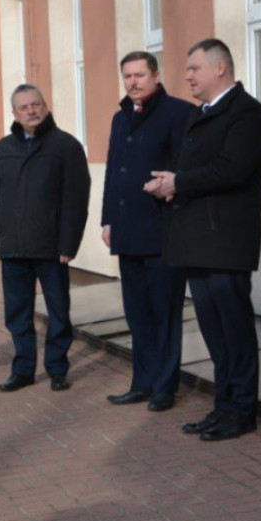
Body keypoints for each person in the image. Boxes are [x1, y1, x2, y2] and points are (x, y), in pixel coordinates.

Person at [145, 38, 261, 442]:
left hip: (226, 241)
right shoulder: (201, 114)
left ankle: (242, 411)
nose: (188, 76)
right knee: (215, 334)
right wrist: (169, 183)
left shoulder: (247, 113)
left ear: (220, 68)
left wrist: (179, 182)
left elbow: (231, 170)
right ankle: (224, 405)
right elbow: (192, 169)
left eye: (194, 68)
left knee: (234, 330)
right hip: (197, 240)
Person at [0, 84, 90, 392]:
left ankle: (57, 368)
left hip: (52, 248)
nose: (32, 110)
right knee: (17, 313)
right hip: (14, 247)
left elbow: (76, 198)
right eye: (24, 107)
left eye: (36, 104)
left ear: (45, 105)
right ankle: (23, 369)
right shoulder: (4, 148)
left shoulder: (65, 145)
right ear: (14, 113)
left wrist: (69, 243)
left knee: (58, 311)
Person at [103, 51, 193, 412]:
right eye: (127, 76)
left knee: (164, 313)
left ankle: (164, 387)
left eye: (140, 75)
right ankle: (141, 382)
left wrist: (169, 186)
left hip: (162, 230)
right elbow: (113, 171)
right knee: (137, 313)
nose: (133, 82)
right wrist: (107, 220)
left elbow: (182, 166)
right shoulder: (120, 117)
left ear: (156, 75)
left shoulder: (178, 114)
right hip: (127, 232)